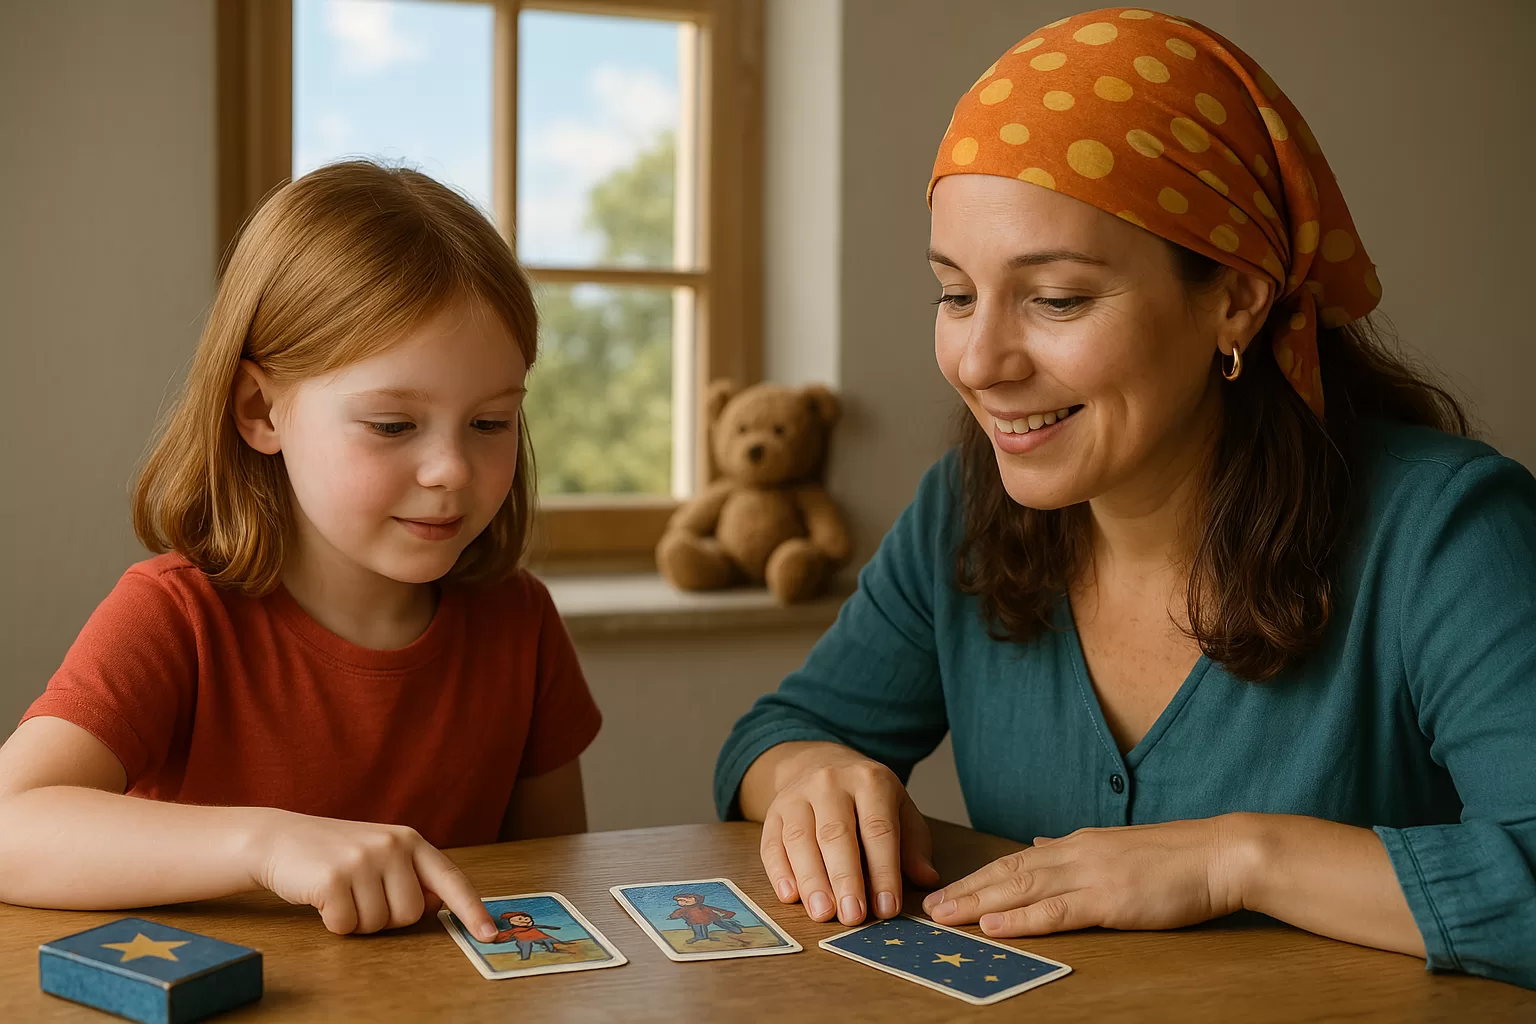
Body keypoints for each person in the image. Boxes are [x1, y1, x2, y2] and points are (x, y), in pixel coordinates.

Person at [715, 7, 1536, 990]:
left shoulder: (1451, 532)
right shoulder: (960, 512)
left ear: (1236, 298)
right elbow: (770, 741)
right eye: (956, 294)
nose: (978, 362)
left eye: (1056, 298)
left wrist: (1236, 859)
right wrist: (815, 774)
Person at [0, 161, 602, 945]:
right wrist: (267, 844)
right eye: (393, 425)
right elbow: (10, 823)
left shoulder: (521, 623)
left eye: (490, 423)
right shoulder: (175, 617)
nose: (451, 470)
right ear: (261, 410)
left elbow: (551, 880)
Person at [669, 893, 745, 943]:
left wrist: (726, 913)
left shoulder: (702, 907)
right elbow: (677, 913)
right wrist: (672, 916)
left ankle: (736, 930)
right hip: (698, 921)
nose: (681, 902)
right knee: (699, 926)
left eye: (684, 900)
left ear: (696, 899)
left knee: (721, 923)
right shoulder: (684, 909)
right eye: (679, 900)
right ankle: (701, 937)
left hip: (710, 917)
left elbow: (715, 909)